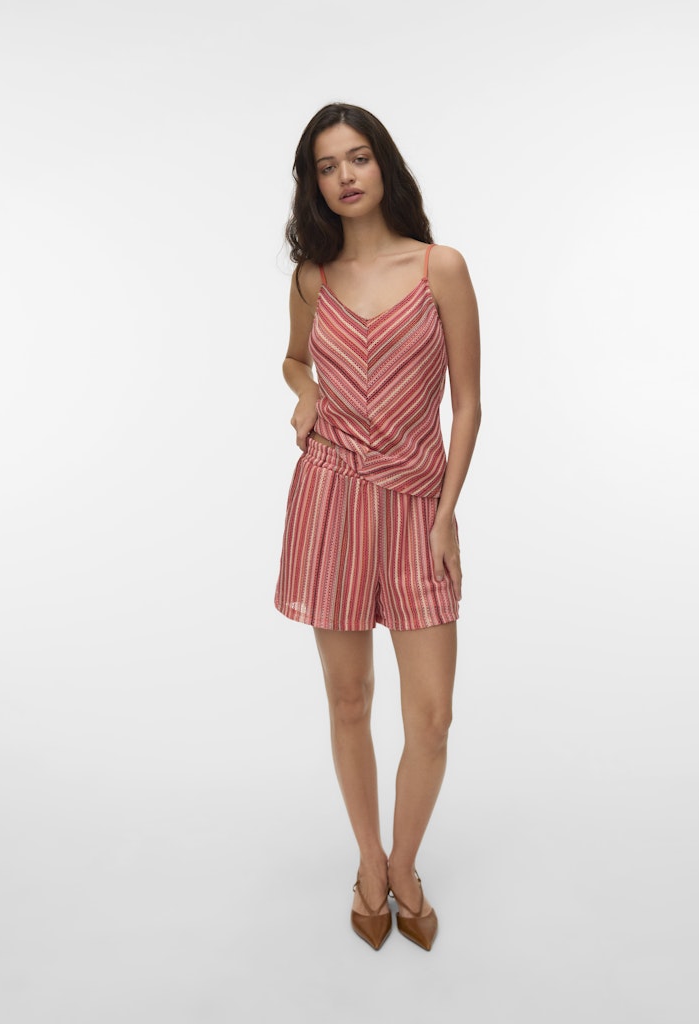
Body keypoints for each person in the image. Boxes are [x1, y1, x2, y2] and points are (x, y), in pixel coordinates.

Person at [274, 102, 481, 951]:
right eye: (327, 166)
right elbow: (293, 357)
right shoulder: (312, 279)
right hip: (329, 498)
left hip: (417, 507)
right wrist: (308, 393)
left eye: (357, 157)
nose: (345, 176)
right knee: (349, 699)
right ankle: (370, 864)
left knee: (431, 718)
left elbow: (467, 403)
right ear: (314, 184)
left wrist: (447, 513)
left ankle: (406, 862)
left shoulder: (440, 268)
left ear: (384, 163)